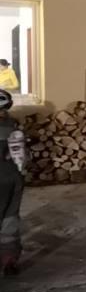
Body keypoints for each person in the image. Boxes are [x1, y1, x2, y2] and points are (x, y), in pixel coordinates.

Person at [0, 89, 26, 276]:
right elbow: (22, 157)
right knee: (10, 218)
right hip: (14, 178)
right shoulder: (14, 127)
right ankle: (9, 259)